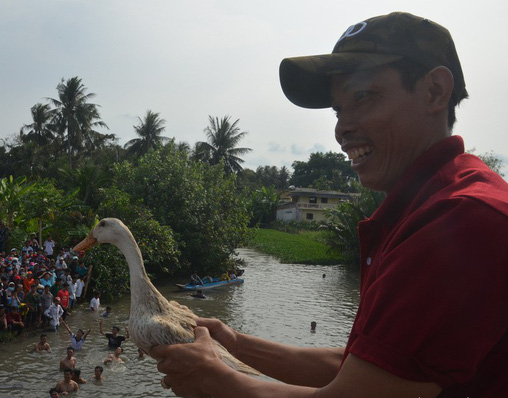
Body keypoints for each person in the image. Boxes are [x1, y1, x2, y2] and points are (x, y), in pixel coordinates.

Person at [150, 12, 508, 398]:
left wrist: (216, 381)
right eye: (338, 110)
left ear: (435, 91)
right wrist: (235, 344)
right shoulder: (426, 210)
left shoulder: (460, 219)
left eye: (363, 97)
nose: (342, 128)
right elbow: (368, 370)